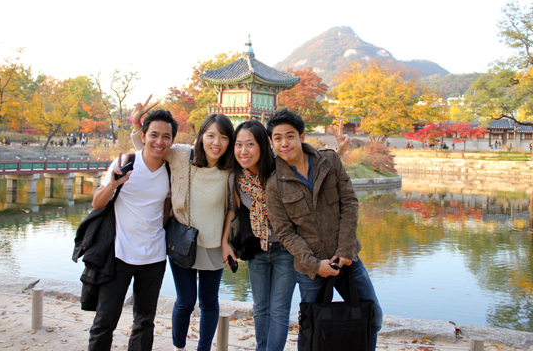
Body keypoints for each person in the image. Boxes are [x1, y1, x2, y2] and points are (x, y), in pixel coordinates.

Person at [264, 108, 382, 351]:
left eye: (289, 136)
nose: (284, 143)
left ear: (302, 136)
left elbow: (349, 202)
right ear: (271, 142)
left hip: (348, 259)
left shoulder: (329, 161)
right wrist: (315, 264)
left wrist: (346, 249)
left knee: (372, 316)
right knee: (312, 328)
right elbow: (285, 233)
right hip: (311, 269)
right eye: (278, 138)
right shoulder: (275, 185)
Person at [229, 119, 349, 351]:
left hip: (287, 248)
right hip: (258, 248)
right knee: (260, 307)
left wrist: (338, 152)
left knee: (279, 309)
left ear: (264, 146)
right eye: (238, 144)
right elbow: (232, 211)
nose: (244, 151)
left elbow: (311, 166)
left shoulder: (279, 168)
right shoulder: (237, 177)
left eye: (250, 144)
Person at [130, 96, 235, 351]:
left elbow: (232, 209)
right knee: (185, 301)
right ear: (201, 136)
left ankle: (203, 348)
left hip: (214, 247)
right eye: (211, 135)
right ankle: (179, 347)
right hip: (182, 242)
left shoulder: (231, 169)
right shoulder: (180, 156)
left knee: (209, 302)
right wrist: (136, 123)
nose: (216, 143)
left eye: (223, 137)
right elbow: (148, 149)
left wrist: (225, 243)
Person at [87, 109, 177, 351]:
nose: (159, 142)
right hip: (119, 254)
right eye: (154, 134)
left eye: (166, 137)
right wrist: (113, 184)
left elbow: (165, 211)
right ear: (144, 135)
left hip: (154, 257)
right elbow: (97, 203)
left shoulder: (170, 170)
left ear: (172, 140)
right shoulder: (125, 163)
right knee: (105, 320)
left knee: (145, 322)